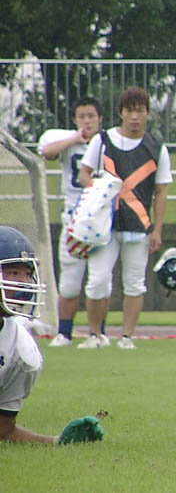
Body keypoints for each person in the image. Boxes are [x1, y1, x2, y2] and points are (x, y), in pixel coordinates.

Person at [78, 86, 172, 350]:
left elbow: (161, 191)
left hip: (139, 225)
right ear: (121, 113)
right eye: (129, 111)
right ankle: (95, 334)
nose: (134, 116)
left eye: (140, 111)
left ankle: (127, 336)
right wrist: (98, 191)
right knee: (97, 281)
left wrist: (158, 230)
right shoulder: (102, 141)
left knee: (134, 283)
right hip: (103, 224)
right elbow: (84, 173)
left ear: (148, 113)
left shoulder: (157, 148)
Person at [0, 225, 104, 444]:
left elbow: (3, 429)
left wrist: (56, 442)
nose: (24, 283)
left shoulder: (21, 351)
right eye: (14, 273)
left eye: (28, 274)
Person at [37, 96, 109, 347]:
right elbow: (47, 152)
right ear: (74, 119)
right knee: (69, 282)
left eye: (91, 116)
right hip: (73, 217)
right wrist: (76, 139)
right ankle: (64, 332)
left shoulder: (109, 141)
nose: (87, 121)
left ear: (100, 118)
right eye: (82, 116)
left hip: (101, 218)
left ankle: (98, 333)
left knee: (100, 281)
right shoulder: (67, 140)